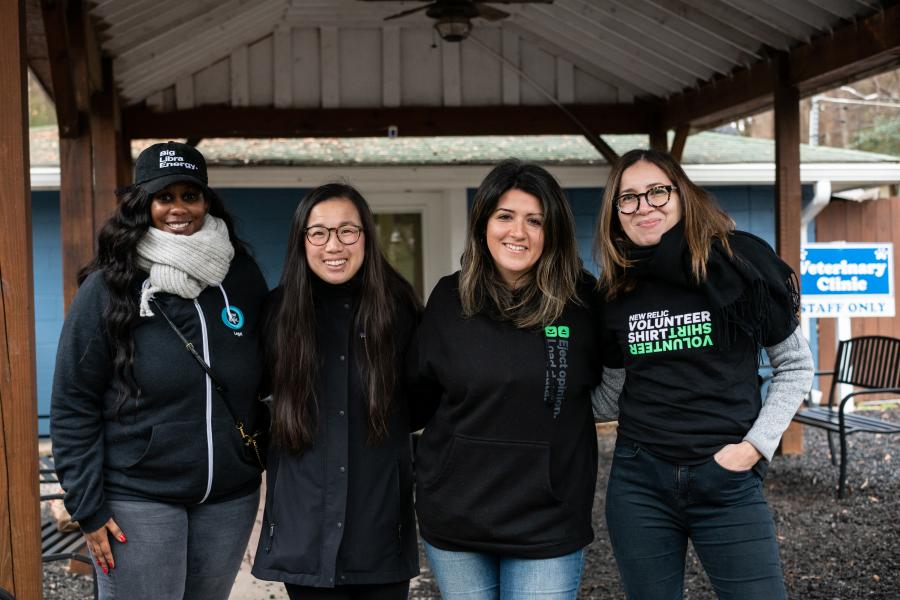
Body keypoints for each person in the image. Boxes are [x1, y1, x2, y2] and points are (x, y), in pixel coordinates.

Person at [592, 148, 814, 600]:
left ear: (681, 194)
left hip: (727, 482)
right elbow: (612, 394)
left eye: (657, 191)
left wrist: (753, 448)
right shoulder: (617, 288)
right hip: (640, 484)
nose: (644, 206)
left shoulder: (737, 265)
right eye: (628, 198)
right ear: (616, 215)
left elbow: (794, 365)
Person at [51, 141, 269, 599]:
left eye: (190, 196)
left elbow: (268, 373)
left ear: (207, 201)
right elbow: (73, 402)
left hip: (228, 497)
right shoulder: (108, 287)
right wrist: (88, 507)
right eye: (164, 197)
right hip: (138, 499)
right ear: (142, 204)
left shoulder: (239, 276)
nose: (178, 209)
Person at [411, 159, 602, 599]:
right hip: (456, 515)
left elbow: (613, 383)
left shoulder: (582, 301)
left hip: (548, 518)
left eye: (535, 221)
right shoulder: (448, 298)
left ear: (552, 232)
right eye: (505, 216)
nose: (518, 232)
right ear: (483, 225)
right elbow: (418, 396)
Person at [251, 183, 422, 600]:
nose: (334, 245)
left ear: (366, 236)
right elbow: (252, 401)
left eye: (348, 231)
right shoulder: (277, 313)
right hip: (304, 530)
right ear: (301, 240)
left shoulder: (398, 307)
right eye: (319, 232)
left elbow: (423, 401)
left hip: (381, 529)